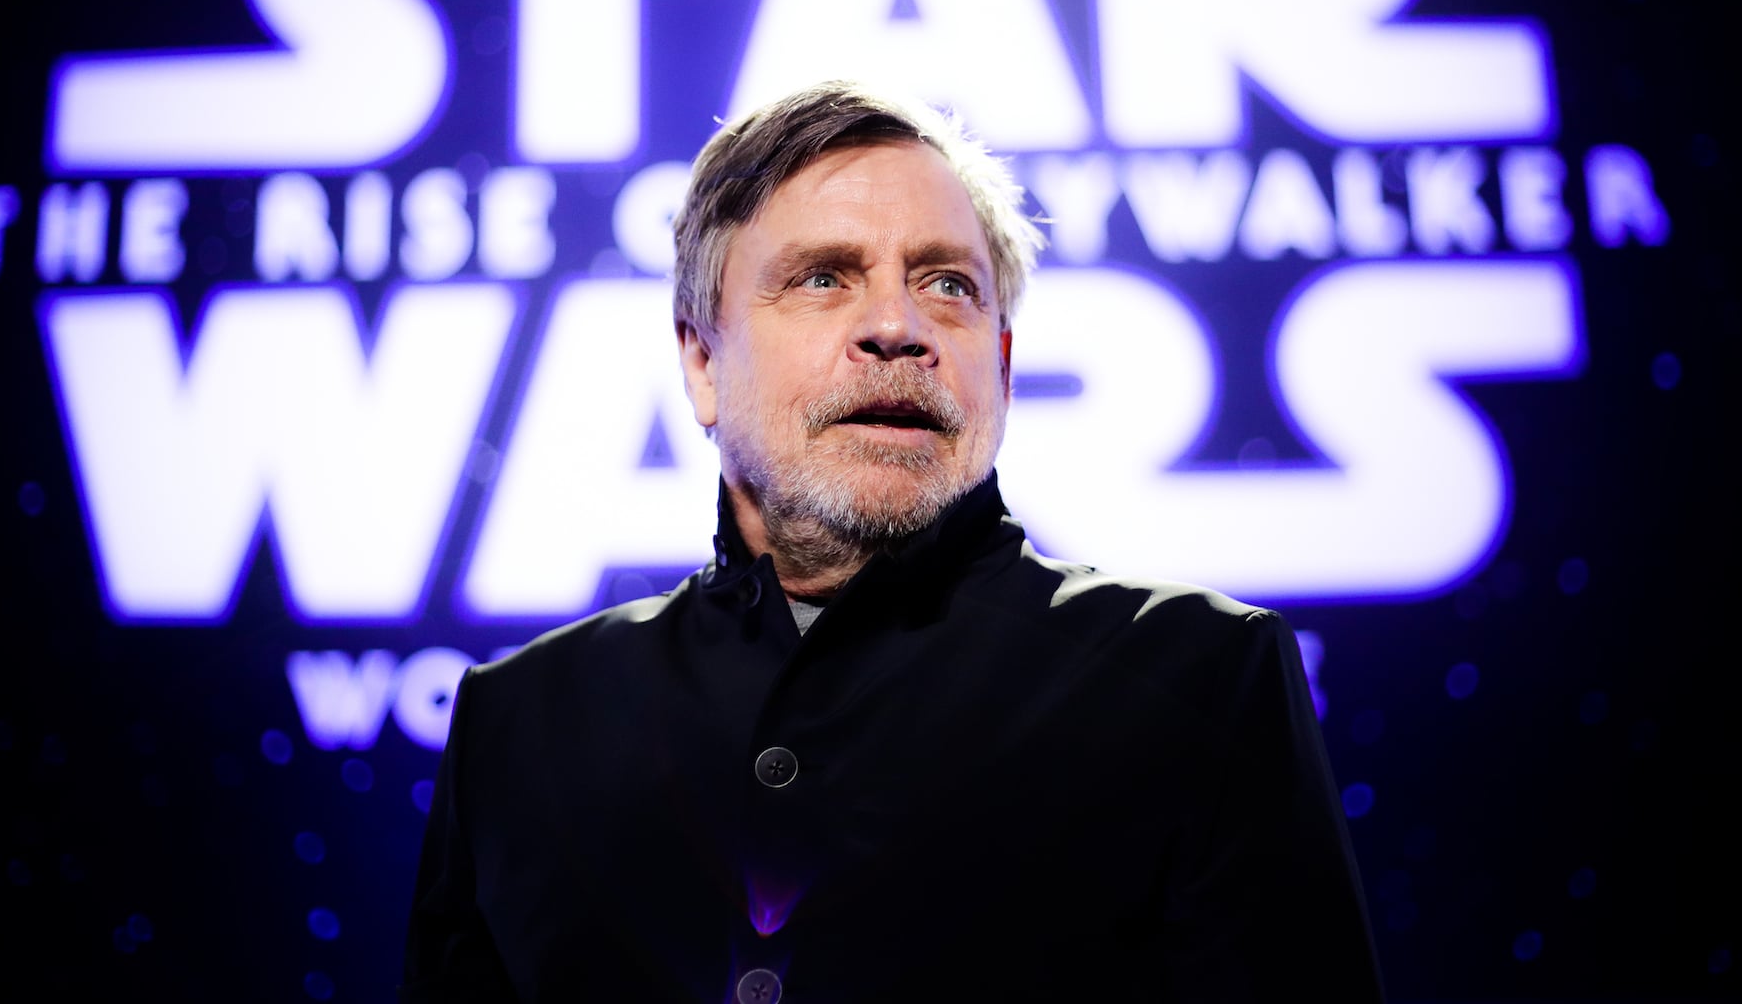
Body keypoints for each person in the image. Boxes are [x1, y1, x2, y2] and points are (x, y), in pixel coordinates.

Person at [402, 80, 1383, 1002]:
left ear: (1002, 365)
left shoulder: (1200, 679)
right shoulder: (517, 725)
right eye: (823, 277)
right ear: (701, 361)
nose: (896, 326)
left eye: (947, 284)